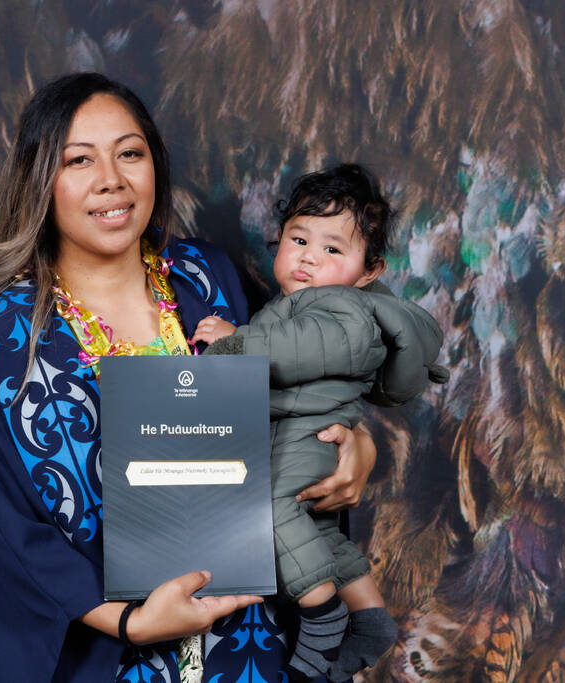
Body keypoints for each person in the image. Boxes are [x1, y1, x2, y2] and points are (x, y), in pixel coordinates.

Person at [0, 73, 384, 683]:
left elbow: (300, 388)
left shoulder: (209, 281)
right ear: (41, 181)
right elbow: (1, 534)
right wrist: (131, 622)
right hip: (108, 659)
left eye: (129, 153)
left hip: (250, 648)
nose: (111, 180)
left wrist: (354, 442)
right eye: (79, 160)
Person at [192, 164, 449, 681]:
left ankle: (321, 614)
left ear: (369, 270)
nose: (310, 255)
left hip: (307, 434)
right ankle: (371, 619)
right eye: (299, 238)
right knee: (320, 534)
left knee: (266, 507)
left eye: (333, 249)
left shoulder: (343, 310)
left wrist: (233, 341)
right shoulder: (301, 303)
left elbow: (293, 352)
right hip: (301, 432)